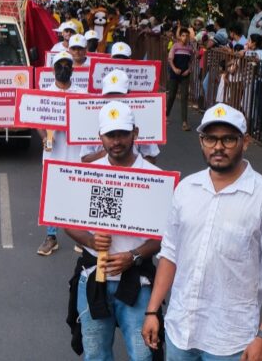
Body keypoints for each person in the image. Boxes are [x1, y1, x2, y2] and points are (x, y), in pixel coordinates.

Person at [142, 103, 262, 360]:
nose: (218, 147)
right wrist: (152, 311)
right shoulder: (186, 189)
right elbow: (170, 253)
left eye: (228, 139)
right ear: (201, 141)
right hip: (180, 331)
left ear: (245, 142)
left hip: (231, 341)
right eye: (210, 138)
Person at [66, 101, 162, 361]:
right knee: (96, 355)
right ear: (100, 137)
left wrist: (134, 256)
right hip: (93, 278)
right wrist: (89, 239)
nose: (116, 141)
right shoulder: (87, 175)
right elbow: (66, 220)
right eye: (110, 135)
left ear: (135, 133)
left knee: (143, 355)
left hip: (138, 283)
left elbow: (164, 236)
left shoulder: (155, 178)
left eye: (122, 134)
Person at [37, 52, 86, 257]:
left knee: (78, 192)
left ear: (73, 69)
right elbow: (37, 120)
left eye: (67, 65)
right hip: (54, 152)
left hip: (76, 152)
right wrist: (44, 136)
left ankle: (81, 237)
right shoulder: (44, 93)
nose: (64, 68)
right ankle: (51, 237)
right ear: (53, 69)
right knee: (52, 193)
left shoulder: (82, 94)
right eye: (60, 65)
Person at [167, 27, 194, 131]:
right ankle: (166, 115)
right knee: (172, 95)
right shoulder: (175, 46)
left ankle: (184, 122)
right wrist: (174, 69)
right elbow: (170, 59)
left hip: (185, 74)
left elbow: (191, 61)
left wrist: (189, 70)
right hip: (175, 73)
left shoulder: (189, 48)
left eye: (187, 36)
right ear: (180, 37)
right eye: (183, 35)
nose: (185, 38)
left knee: (184, 97)